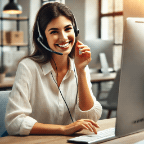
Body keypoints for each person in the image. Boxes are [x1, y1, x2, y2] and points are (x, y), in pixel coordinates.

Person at [5, 2, 102, 136]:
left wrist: (81, 71)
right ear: (42, 38)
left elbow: (90, 118)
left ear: (75, 30)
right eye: (54, 32)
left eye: (68, 29)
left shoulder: (79, 66)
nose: (63, 38)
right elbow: (14, 122)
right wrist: (63, 129)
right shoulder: (28, 67)